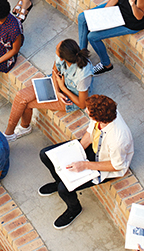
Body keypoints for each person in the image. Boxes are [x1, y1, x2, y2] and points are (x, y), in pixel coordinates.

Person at [37, 95, 133, 229]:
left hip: (105, 163)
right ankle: (59, 179)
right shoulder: (102, 117)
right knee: (46, 154)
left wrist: (85, 165)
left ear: (98, 117)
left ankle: (74, 209)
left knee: (64, 189)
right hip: (94, 148)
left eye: (89, 111)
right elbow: (90, 133)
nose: (86, 111)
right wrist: (77, 152)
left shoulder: (118, 139)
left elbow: (117, 166)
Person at [3, 39, 93, 141]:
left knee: (26, 104)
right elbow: (54, 70)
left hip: (69, 98)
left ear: (63, 58)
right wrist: (57, 89)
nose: (55, 50)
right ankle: (9, 133)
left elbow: (82, 104)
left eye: (56, 50)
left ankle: (23, 128)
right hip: (56, 85)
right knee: (21, 96)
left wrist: (62, 88)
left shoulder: (83, 76)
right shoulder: (65, 56)